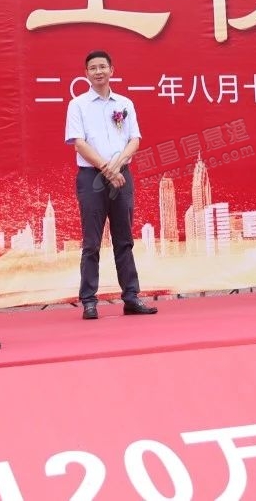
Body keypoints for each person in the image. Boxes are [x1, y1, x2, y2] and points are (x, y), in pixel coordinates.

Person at [65, 50, 158, 320]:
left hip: (122, 177)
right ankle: (89, 301)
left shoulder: (125, 103)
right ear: (86, 74)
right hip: (91, 178)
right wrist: (107, 169)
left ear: (112, 70)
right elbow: (78, 143)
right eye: (93, 68)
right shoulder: (78, 105)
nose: (98, 72)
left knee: (124, 240)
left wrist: (117, 168)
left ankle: (131, 297)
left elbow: (134, 140)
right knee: (92, 242)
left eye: (102, 67)